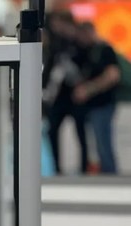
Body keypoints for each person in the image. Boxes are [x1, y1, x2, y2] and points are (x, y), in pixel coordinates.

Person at [43, 12, 89, 174]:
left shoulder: (79, 42)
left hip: (76, 95)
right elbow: (50, 68)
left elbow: (87, 65)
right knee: (52, 130)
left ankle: (84, 167)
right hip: (59, 97)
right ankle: (57, 167)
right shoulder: (56, 44)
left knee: (81, 132)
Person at [73, 22, 121, 174]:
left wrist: (89, 89)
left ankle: (109, 173)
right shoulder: (86, 51)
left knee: (103, 140)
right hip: (91, 105)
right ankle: (104, 170)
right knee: (97, 142)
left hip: (103, 103)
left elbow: (112, 75)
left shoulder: (104, 50)